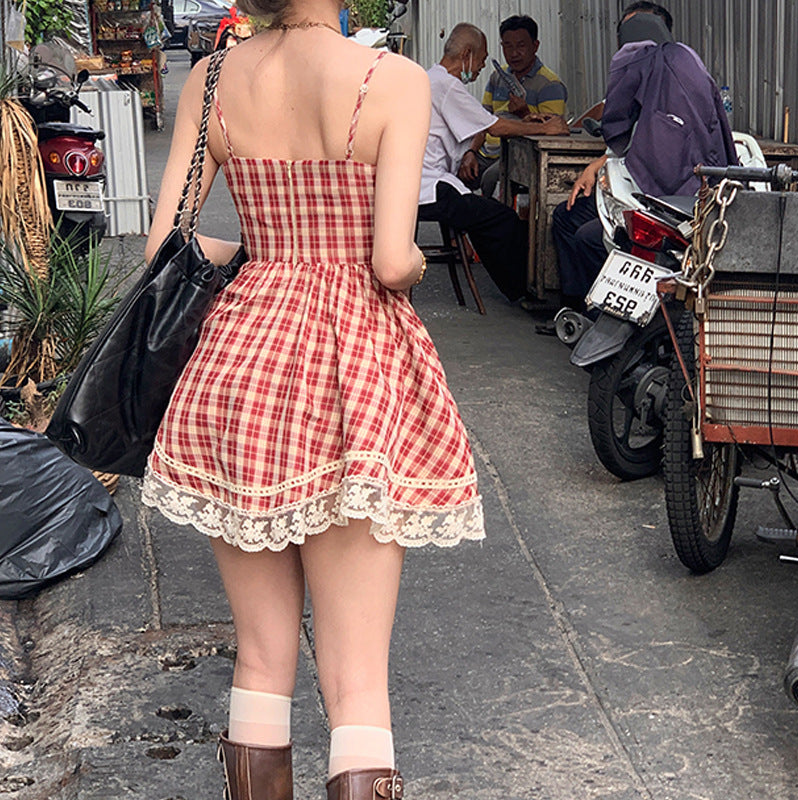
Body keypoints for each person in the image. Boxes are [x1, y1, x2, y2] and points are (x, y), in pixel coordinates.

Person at [141, 1, 485, 797]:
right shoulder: (393, 79)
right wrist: (412, 267)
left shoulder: (212, 78)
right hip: (351, 371)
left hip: (241, 364)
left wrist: (273, 255)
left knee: (261, 659)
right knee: (357, 681)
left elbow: (168, 246)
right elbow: (392, 261)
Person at [547, 1, 736, 328]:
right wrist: (602, 161)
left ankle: (593, 318)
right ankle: (581, 313)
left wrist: (605, 155)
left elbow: (618, 125)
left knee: (587, 235)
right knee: (571, 218)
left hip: (664, 203)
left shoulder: (636, 63)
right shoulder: (688, 62)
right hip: (692, 197)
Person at [418, 22, 560, 304]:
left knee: (489, 214)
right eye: (481, 59)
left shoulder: (431, 78)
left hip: (424, 182)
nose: (482, 67)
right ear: (467, 55)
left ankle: (518, 287)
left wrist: (527, 120)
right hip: (428, 187)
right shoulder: (446, 86)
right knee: (502, 219)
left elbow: (484, 122)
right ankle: (522, 289)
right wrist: (544, 129)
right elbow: (494, 126)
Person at [465, 14, 569, 198]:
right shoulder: (497, 78)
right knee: (453, 174)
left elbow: (554, 133)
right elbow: (482, 122)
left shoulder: (550, 85)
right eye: (508, 46)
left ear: (535, 46)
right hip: (487, 153)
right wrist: (471, 152)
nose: (514, 53)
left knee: (491, 179)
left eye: (521, 46)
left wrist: (524, 113)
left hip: (521, 157)